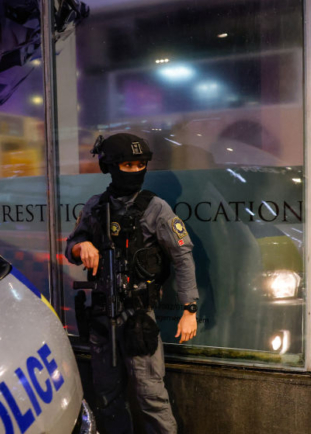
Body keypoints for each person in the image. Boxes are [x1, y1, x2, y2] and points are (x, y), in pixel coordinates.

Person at [65, 133, 199, 434]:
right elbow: (71, 245)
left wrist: (189, 308)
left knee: (152, 397)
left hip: (138, 316)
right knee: (107, 397)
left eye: (140, 164)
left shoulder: (156, 208)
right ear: (109, 167)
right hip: (101, 317)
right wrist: (81, 247)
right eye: (127, 165)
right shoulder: (95, 207)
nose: (136, 171)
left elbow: (182, 255)